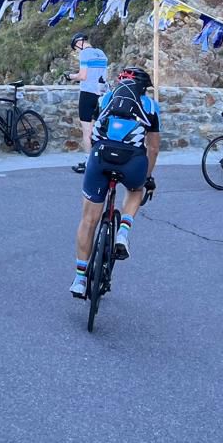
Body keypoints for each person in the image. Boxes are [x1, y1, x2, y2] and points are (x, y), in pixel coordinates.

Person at [72, 65, 159, 299]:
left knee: (88, 220)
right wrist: (147, 177)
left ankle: (79, 279)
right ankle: (123, 232)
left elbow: (92, 133)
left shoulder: (106, 99)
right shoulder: (150, 105)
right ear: (143, 87)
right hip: (132, 161)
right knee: (136, 189)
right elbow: (153, 148)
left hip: (100, 157)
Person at [67, 32, 109, 174]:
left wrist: (71, 76)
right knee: (100, 130)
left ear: (79, 43)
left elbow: (83, 76)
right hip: (102, 95)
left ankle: (88, 163)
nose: (77, 51)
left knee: (87, 131)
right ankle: (101, 160)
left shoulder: (85, 54)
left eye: (76, 48)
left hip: (88, 94)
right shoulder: (101, 53)